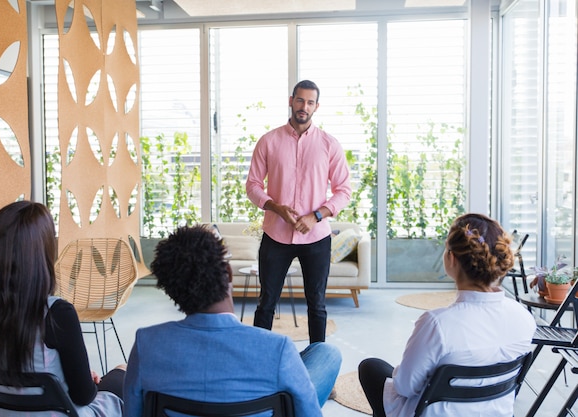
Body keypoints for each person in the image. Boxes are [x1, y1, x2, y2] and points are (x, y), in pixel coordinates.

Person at [123, 224, 341, 417]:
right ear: (228, 273)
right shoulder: (277, 347)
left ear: (170, 289)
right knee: (326, 353)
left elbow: (133, 412)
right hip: (275, 365)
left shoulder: (147, 344)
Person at [357, 213, 536, 417]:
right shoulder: (523, 317)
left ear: (451, 258)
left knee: (371, 368)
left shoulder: (437, 323)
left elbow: (405, 387)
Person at [0, 201, 125, 417]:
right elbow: (83, 396)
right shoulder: (57, 314)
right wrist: (85, 381)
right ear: (41, 255)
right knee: (125, 373)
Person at [246, 79, 351, 343]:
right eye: (300, 100)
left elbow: (343, 191)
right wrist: (276, 207)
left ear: (317, 106)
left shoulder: (329, 144)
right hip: (275, 235)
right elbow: (253, 185)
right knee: (266, 302)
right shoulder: (268, 142)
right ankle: (260, 364)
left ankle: (319, 365)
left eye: (310, 102)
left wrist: (316, 216)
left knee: (317, 305)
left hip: (316, 238)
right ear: (291, 100)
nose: (304, 106)